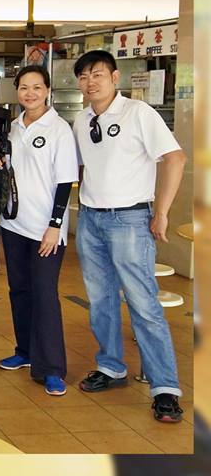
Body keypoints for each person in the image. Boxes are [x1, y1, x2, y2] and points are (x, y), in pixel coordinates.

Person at [71, 50, 187, 423]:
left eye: (97, 74)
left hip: (131, 220)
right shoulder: (82, 118)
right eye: (84, 76)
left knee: (143, 304)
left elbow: (175, 158)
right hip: (90, 219)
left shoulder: (139, 113)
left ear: (115, 77)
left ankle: (165, 387)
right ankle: (111, 366)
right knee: (100, 301)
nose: (91, 82)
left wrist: (161, 211)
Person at [0, 66, 77, 396]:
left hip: (44, 230)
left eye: (37, 87)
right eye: (24, 87)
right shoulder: (13, 128)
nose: (30, 93)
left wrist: (54, 226)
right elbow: (10, 169)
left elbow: (65, 182)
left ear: (48, 90)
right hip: (14, 224)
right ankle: (24, 351)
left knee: (45, 295)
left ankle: (51, 368)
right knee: (19, 290)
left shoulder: (59, 130)